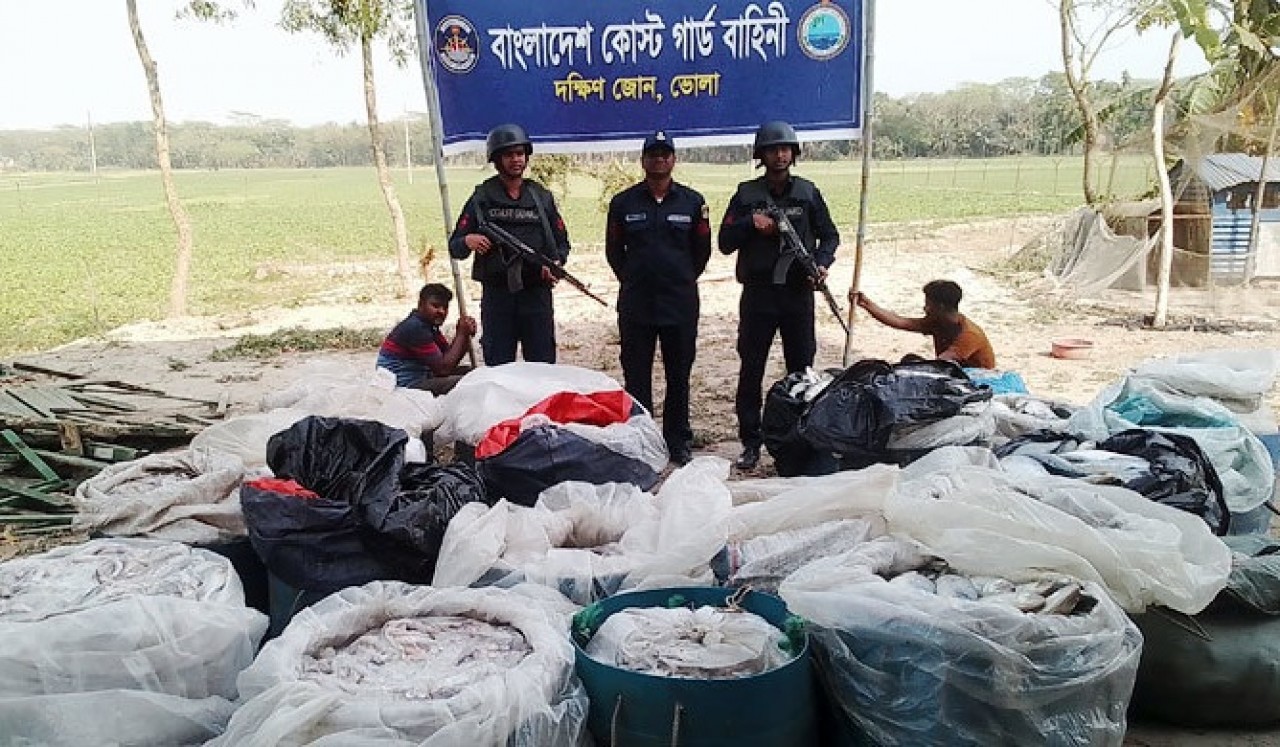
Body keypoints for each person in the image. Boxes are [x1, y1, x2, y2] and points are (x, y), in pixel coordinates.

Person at [719, 121, 840, 471]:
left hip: (797, 295)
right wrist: (750, 224)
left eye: (786, 149)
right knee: (751, 369)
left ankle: (799, 440)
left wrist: (821, 263)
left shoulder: (807, 192)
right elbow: (724, 242)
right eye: (773, 149)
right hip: (758, 296)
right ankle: (750, 441)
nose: (780, 155)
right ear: (762, 155)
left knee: (802, 369)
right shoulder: (746, 195)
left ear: (794, 153)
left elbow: (830, 236)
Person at [605, 130, 712, 465]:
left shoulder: (693, 202)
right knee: (636, 375)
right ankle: (642, 439)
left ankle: (677, 440)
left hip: (679, 303)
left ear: (673, 160)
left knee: (679, 375)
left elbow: (701, 252)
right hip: (637, 303)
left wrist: (679, 278)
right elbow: (614, 252)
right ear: (643, 161)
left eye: (665, 154)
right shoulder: (623, 203)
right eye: (653, 154)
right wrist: (635, 278)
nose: (659, 160)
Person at [448, 123, 572, 365]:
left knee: (542, 364)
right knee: (499, 366)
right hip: (498, 297)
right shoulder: (482, 197)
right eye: (509, 155)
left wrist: (555, 263)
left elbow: (561, 243)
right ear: (496, 159)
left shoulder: (540, 197)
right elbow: (455, 246)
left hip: (536, 295)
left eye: (520, 153)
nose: (516, 160)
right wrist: (469, 240)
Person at [851, 279, 996, 369]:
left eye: (928, 304)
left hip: (977, 378)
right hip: (951, 369)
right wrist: (866, 304)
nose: (925, 309)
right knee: (910, 361)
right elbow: (901, 322)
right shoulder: (939, 321)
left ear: (940, 307)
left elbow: (940, 363)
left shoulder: (969, 335)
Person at [376, 283, 478, 395]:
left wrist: (465, 337)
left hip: (422, 375)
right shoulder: (415, 327)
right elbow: (444, 369)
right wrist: (461, 334)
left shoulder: (429, 326)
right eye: (435, 306)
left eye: (445, 307)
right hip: (404, 385)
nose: (442, 311)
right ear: (421, 305)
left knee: (472, 373)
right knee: (469, 382)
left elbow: (450, 358)